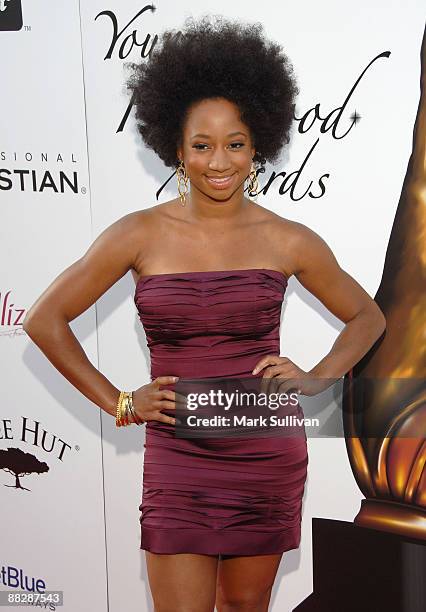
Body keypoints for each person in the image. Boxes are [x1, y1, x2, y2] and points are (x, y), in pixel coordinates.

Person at [23, 15, 386, 612]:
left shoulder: (289, 239)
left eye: (236, 144)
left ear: (257, 146)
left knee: (246, 609)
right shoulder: (138, 234)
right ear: (176, 147)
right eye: (202, 144)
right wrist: (119, 400)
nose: (220, 161)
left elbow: (367, 317)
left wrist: (318, 377)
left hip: (264, 450)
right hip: (178, 454)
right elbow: (44, 318)